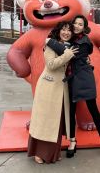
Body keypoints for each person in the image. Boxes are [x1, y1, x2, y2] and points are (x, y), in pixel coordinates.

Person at [47, 15, 100, 159]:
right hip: (71, 80)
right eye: (75, 23)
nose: (77, 26)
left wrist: (49, 42)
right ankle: (72, 142)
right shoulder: (71, 39)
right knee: (71, 111)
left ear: (84, 27)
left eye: (80, 24)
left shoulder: (83, 41)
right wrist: (51, 40)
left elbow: (68, 54)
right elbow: (62, 44)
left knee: (93, 110)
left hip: (84, 79)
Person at [28, 22, 78, 164]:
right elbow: (50, 65)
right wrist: (67, 55)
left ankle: (53, 153)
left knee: (56, 122)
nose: (66, 32)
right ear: (58, 31)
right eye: (63, 29)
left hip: (62, 88)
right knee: (45, 121)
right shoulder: (51, 44)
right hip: (48, 87)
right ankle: (39, 152)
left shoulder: (70, 47)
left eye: (69, 30)